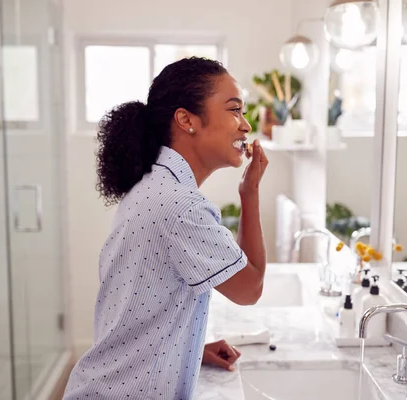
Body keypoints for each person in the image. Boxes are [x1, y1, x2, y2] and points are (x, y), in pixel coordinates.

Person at [63, 57, 268, 400]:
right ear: (187, 119)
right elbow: (251, 289)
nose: (245, 126)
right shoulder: (182, 207)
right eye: (234, 110)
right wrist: (250, 193)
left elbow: (139, 305)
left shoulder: (154, 185)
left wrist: (189, 350)